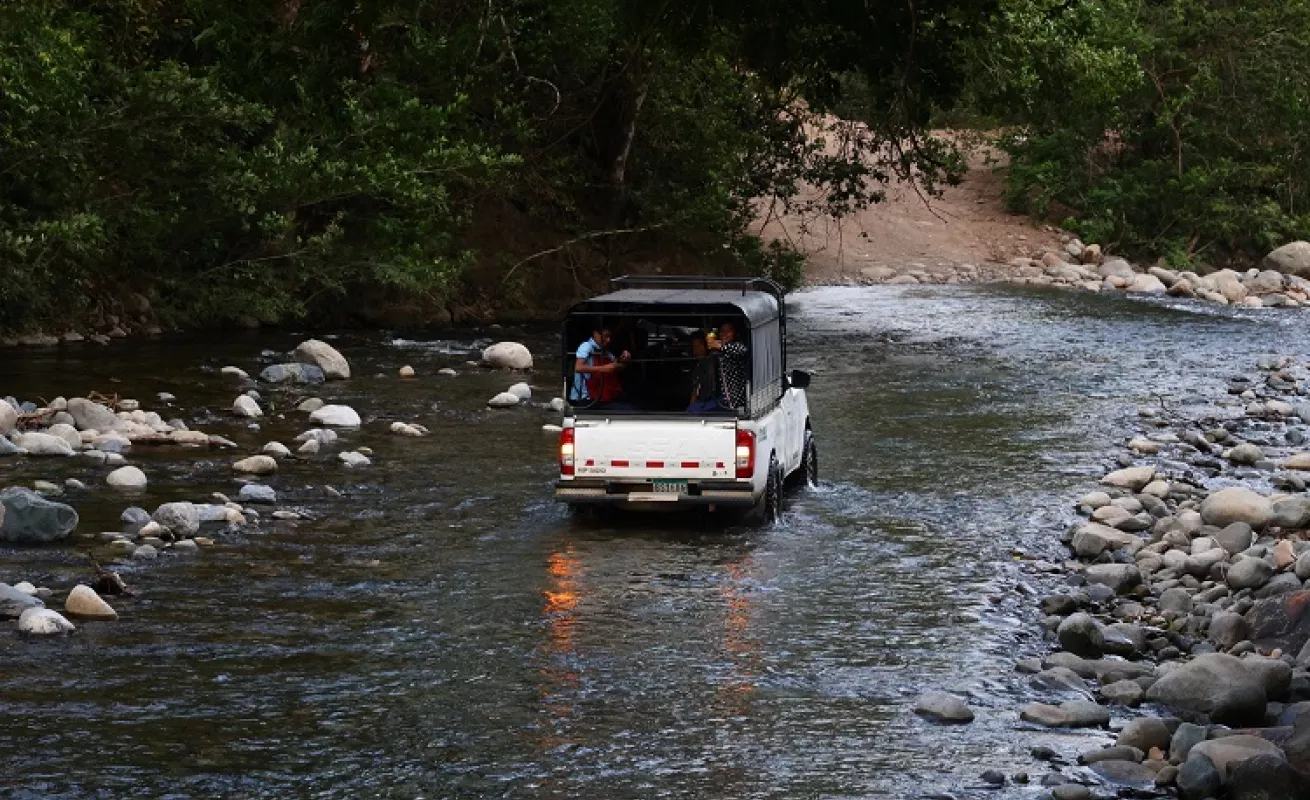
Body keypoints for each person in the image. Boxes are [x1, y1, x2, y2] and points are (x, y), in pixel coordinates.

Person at [570, 327, 625, 404]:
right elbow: (578, 367)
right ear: (596, 334)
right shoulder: (586, 346)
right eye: (605, 336)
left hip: (601, 395)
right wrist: (604, 368)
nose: (608, 340)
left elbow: (616, 365)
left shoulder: (605, 351)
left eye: (610, 337)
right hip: (585, 398)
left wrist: (623, 359)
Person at [709, 320, 748, 409]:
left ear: (735, 333)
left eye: (729, 331)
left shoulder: (737, 346)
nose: (725, 333)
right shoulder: (716, 351)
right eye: (722, 331)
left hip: (735, 400)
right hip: (719, 398)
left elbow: (741, 350)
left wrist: (720, 346)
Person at [685, 331, 721, 413]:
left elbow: (696, 390)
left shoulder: (712, 362)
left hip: (711, 404)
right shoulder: (698, 363)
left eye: (698, 346)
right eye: (694, 347)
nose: (696, 350)